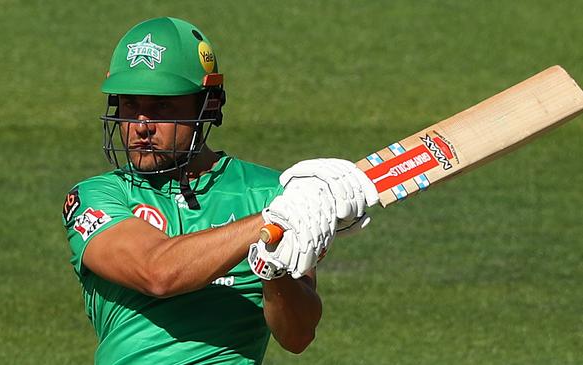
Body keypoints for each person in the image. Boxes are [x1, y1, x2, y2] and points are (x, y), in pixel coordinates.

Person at [62, 17, 378, 364]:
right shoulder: (96, 198)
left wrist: (275, 270)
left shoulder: (273, 193)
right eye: (130, 105)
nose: (141, 126)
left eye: (162, 107)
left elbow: (297, 335)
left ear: (206, 106)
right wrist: (272, 221)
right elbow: (157, 273)